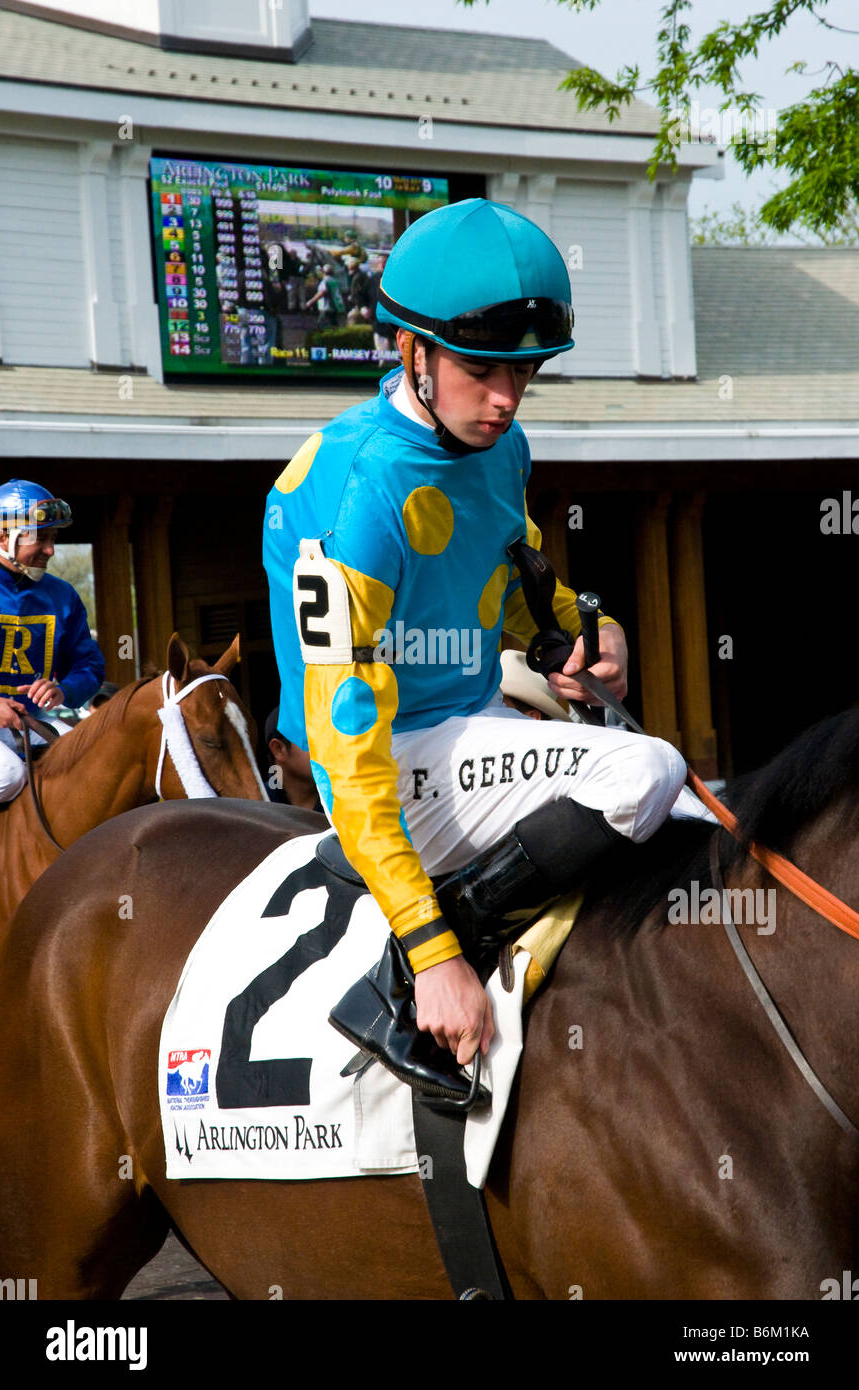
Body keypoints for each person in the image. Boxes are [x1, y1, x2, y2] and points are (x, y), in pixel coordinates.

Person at [263, 198, 686, 1097]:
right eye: (482, 369)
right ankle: (396, 985)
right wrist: (429, 947)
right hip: (375, 766)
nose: (505, 398)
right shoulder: (357, 491)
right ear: (411, 350)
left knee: (687, 823)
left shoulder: (502, 447)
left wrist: (585, 632)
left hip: (472, 724)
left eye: (524, 373)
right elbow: (342, 741)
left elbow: (514, 587)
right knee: (645, 774)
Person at [0, 479, 105, 804]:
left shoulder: (63, 595)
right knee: (7, 775)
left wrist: (64, 690)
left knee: (96, 768)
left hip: (35, 719)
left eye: (53, 538)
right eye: (41, 539)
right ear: (2, 537)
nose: (51, 550)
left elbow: (89, 665)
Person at [264, 705, 324, 812]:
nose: (325, 747)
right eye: (311, 738)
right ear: (278, 749)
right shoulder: (257, 806)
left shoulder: (346, 804)